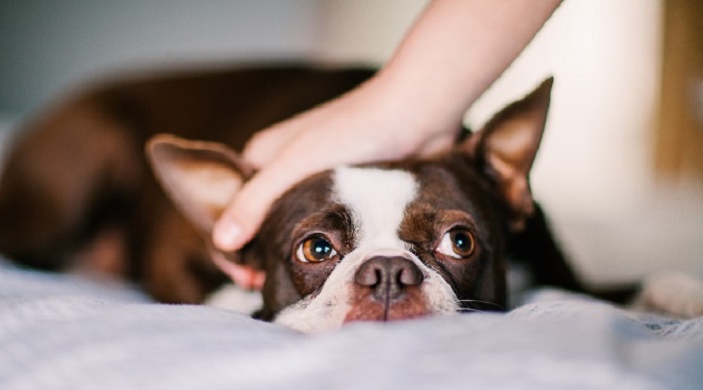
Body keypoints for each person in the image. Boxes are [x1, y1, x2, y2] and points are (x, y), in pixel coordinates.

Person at [213, 0, 563, 259]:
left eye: (459, 243)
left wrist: (405, 106)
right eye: (318, 250)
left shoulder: (477, 185)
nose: (387, 280)